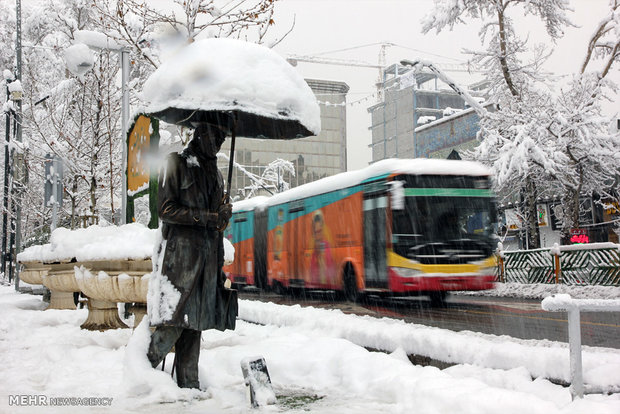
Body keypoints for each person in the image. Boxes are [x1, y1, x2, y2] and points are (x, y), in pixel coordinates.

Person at [146, 123, 233, 389]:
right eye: (215, 135)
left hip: (208, 259)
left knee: (195, 324)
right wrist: (206, 217)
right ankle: (141, 373)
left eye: (222, 138)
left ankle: (189, 385)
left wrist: (223, 215)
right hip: (182, 259)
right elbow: (165, 209)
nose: (218, 142)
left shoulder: (216, 174)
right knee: (174, 323)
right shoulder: (176, 163)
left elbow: (217, 220)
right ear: (199, 133)